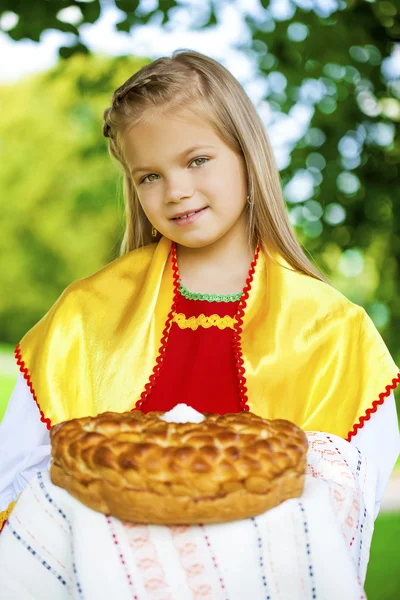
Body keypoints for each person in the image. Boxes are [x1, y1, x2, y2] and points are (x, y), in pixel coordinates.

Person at [0, 49, 399, 532]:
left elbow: (350, 504)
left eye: (197, 160)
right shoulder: (85, 317)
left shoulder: (333, 331)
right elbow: (17, 482)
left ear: (247, 157)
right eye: (150, 176)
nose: (176, 191)